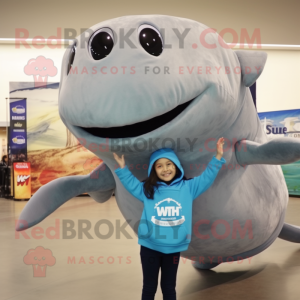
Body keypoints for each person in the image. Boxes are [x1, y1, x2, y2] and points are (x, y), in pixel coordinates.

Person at [113, 138, 226, 300]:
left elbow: (207, 177)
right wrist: (123, 168)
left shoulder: (189, 188)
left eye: (169, 164)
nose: (165, 169)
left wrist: (217, 157)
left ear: (176, 166)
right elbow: (131, 184)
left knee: (168, 287)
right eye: (159, 166)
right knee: (149, 287)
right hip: (149, 247)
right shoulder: (148, 190)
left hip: (173, 248)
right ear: (154, 170)